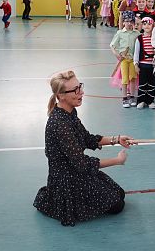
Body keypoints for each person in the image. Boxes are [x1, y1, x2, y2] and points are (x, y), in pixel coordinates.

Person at [33, 70, 135, 226]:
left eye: (79, 86)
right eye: (75, 90)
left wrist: (117, 139)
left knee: (119, 194)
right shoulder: (60, 124)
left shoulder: (69, 112)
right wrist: (117, 161)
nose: (81, 92)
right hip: (68, 179)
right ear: (61, 96)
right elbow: (82, 163)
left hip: (76, 171)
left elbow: (88, 139)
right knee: (117, 205)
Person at [110, 11, 141, 108]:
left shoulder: (136, 34)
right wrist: (117, 54)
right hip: (124, 60)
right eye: (126, 21)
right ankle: (124, 98)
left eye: (131, 21)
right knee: (125, 79)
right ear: (123, 22)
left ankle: (132, 96)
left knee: (132, 78)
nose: (129, 23)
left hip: (133, 60)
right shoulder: (120, 33)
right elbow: (112, 45)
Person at [134, 17, 155, 109]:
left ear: (152, 26)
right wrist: (136, 64)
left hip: (153, 65)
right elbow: (136, 52)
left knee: (152, 83)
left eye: (149, 24)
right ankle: (141, 100)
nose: (147, 26)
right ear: (141, 26)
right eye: (144, 24)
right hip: (143, 65)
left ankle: (150, 101)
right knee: (142, 83)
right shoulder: (139, 38)